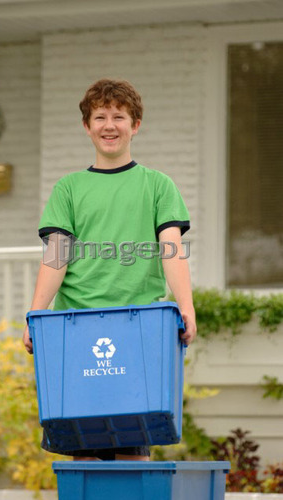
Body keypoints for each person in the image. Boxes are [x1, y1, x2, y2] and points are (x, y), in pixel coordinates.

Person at [23, 78, 197, 462]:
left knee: (134, 444)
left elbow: (171, 249)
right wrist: (35, 315)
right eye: (99, 116)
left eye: (119, 116)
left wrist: (186, 306)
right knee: (82, 445)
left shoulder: (157, 185)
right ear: (87, 126)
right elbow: (57, 255)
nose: (109, 125)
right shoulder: (69, 189)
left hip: (138, 327)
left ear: (136, 125)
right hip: (75, 327)